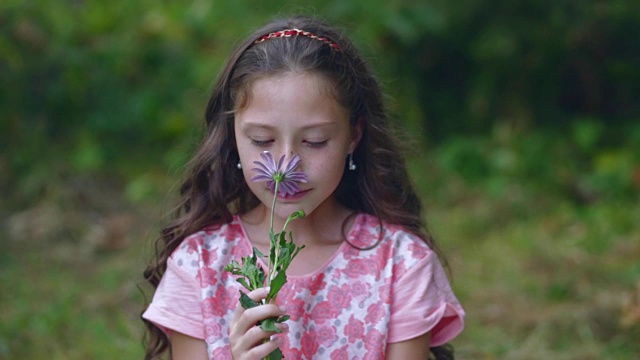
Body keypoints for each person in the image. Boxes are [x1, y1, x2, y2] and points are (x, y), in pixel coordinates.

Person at [142, 15, 465, 360]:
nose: (286, 165)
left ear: (354, 136)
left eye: (315, 141)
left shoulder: (401, 264)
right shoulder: (198, 265)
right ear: (233, 137)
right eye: (262, 140)